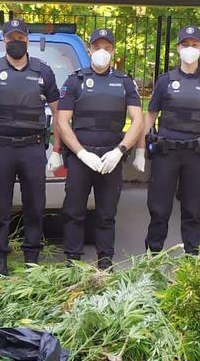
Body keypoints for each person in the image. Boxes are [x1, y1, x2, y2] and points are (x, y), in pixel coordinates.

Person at [0, 18, 61, 283]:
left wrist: (56, 149)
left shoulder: (43, 71)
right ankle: (0, 262)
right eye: (12, 38)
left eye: (21, 38)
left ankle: (32, 260)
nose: (16, 43)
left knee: (35, 206)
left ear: (28, 40)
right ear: (4, 40)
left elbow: (59, 114)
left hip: (33, 148)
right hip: (1, 149)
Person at [55, 28, 143, 269]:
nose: (101, 52)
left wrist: (121, 150)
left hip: (110, 157)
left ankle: (105, 265)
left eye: (107, 48)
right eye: (97, 47)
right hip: (80, 157)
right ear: (90, 50)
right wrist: (81, 152)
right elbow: (62, 121)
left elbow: (138, 119)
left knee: (106, 215)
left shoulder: (125, 82)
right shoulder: (75, 80)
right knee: (74, 212)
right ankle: (72, 265)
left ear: (113, 51)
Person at [143, 25, 200, 256]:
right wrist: (142, 150)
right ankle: (152, 257)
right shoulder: (165, 81)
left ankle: (191, 258)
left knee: (192, 211)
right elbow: (149, 116)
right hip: (166, 154)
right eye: (185, 45)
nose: (190, 49)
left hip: (198, 155)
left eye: (194, 45)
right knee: (159, 209)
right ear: (178, 48)